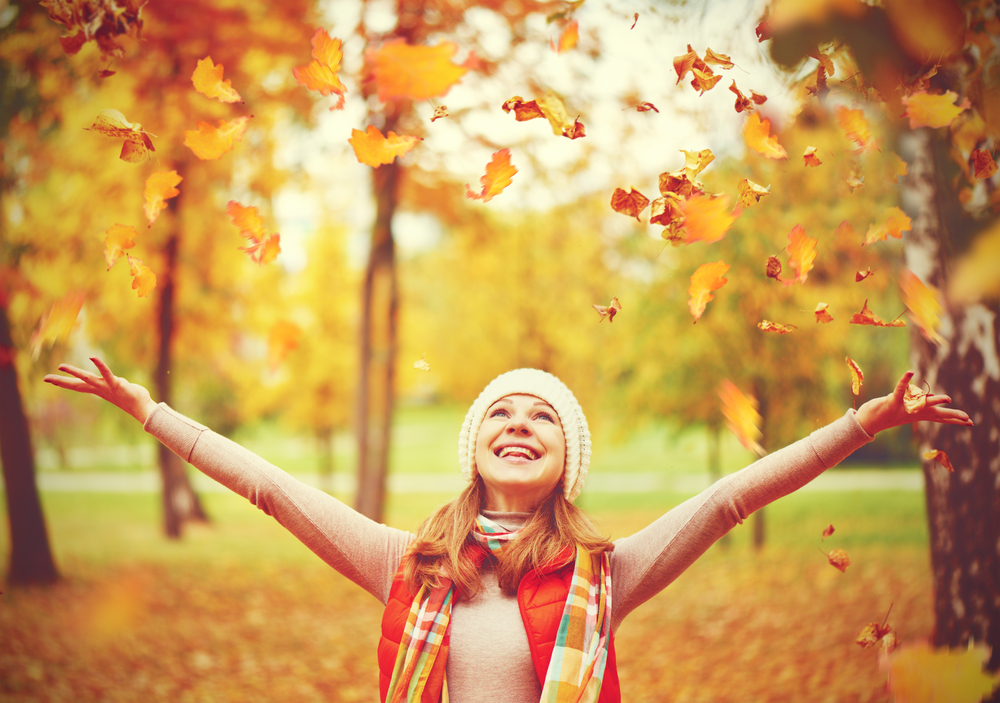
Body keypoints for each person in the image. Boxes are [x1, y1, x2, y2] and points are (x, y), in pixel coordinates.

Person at [44, 358, 972, 703]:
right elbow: (271, 489)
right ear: (475, 447)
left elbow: (730, 498)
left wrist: (862, 425)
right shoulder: (405, 566)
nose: (520, 424)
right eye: (501, 414)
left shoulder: (607, 577)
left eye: (542, 418)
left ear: (564, 459)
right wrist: (152, 410)